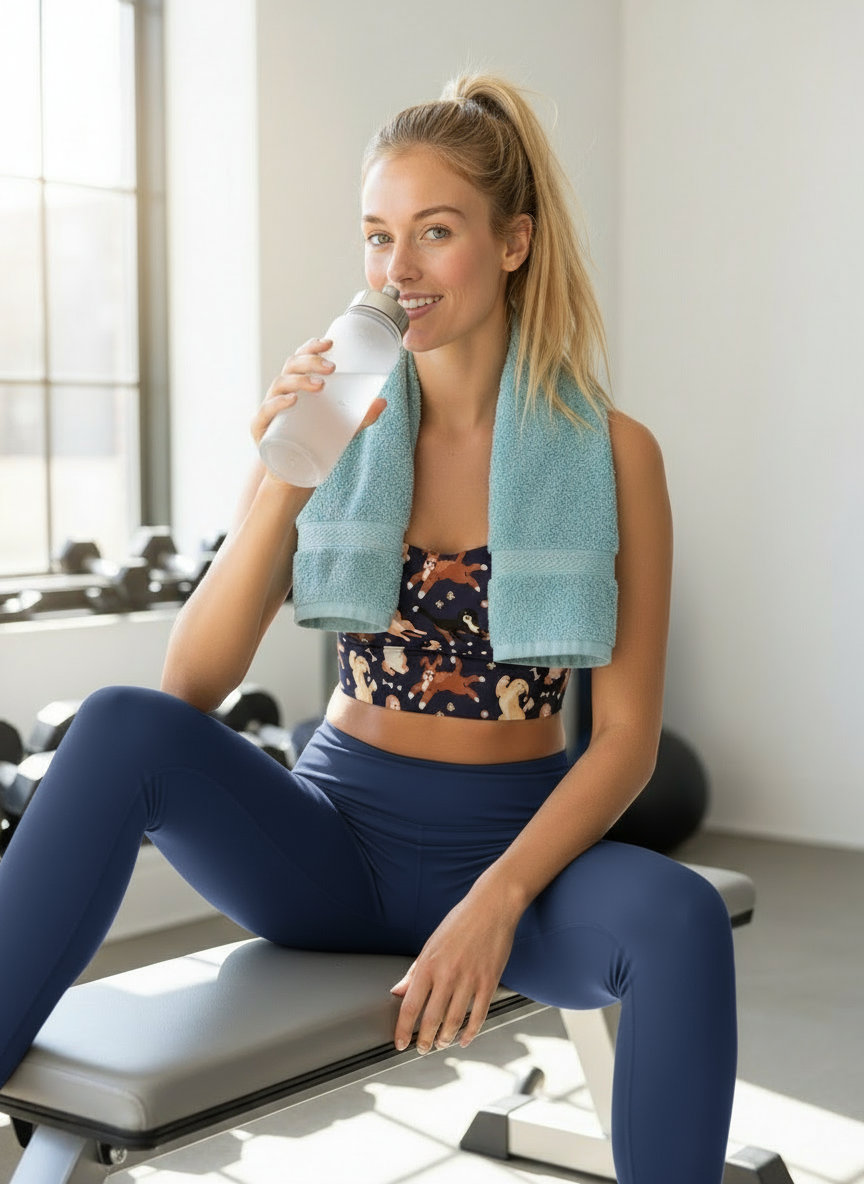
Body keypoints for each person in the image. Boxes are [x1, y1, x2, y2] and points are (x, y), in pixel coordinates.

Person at [0, 74, 737, 1183]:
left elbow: (626, 739)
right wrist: (280, 480)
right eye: (378, 236)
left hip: (515, 846)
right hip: (330, 843)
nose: (399, 270)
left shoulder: (614, 454)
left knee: (680, 919)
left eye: (435, 233)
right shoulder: (337, 421)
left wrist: (498, 899)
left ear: (513, 242)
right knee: (117, 724)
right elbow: (188, 685)